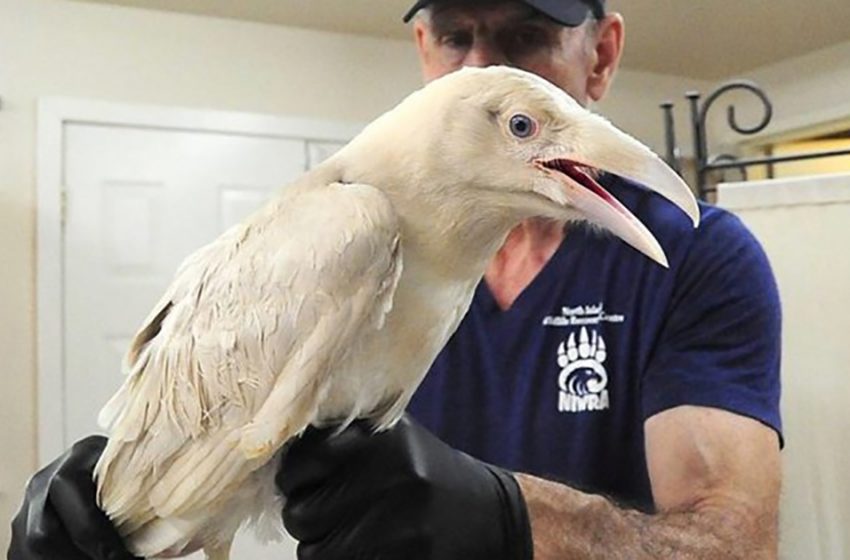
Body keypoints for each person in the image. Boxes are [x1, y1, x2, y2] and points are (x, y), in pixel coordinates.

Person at [9, 1, 783, 559]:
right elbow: (214, 480)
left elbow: (736, 545)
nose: (484, 64)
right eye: (456, 33)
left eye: (525, 33)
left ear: (603, 53)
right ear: (423, 46)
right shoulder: (342, 227)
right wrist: (101, 511)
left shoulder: (699, 256)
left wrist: (511, 517)